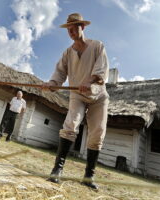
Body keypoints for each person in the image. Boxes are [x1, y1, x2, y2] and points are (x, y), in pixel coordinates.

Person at [44, 13, 109, 190]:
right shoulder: (67, 53)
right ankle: (57, 170)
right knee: (71, 124)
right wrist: (52, 84)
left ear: (83, 27)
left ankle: (88, 176)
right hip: (77, 95)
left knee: (97, 133)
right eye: (69, 30)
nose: (71, 32)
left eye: (75, 28)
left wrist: (89, 81)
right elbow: (59, 73)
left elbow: (101, 70)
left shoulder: (97, 46)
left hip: (98, 96)